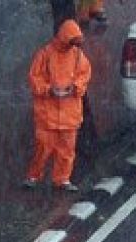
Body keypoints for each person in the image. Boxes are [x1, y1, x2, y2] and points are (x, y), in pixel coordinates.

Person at [24, 19, 92, 192]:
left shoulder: (77, 56)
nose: (73, 45)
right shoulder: (45, 54)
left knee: (67, 150)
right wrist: (49, 90)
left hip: (68, 113)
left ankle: (62, 179)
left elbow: (85, 74)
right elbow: (34, 78)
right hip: (49, 113)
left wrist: (75, 87)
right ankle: (34, 176)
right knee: (43, 148)